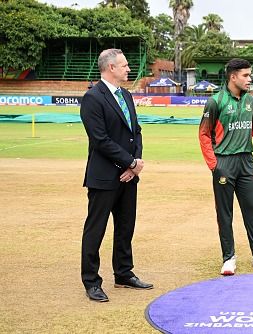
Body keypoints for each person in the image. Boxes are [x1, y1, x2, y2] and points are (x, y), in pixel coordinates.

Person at [80, 49, 153, 303]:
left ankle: (123, 273)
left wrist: (134, 166)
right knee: (95, 229)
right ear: (111, 67)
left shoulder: (127, 95)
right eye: (124, 65)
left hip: (129, 176)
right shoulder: (93, 98)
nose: (128, 69)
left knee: (125, 227)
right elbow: (100, 140)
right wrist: (129, 161)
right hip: (103, 177)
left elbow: (136, 132)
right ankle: (91, 281)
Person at [198, 58, 253, 276]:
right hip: (224, 162)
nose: (250, 79)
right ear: (233, 76)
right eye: (246, 75)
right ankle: (228, 258)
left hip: (246, 162)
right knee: (225, 214)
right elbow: (204, 134)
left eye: (250, 75)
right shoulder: (215, 102)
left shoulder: (251, 101)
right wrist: (214, 165)